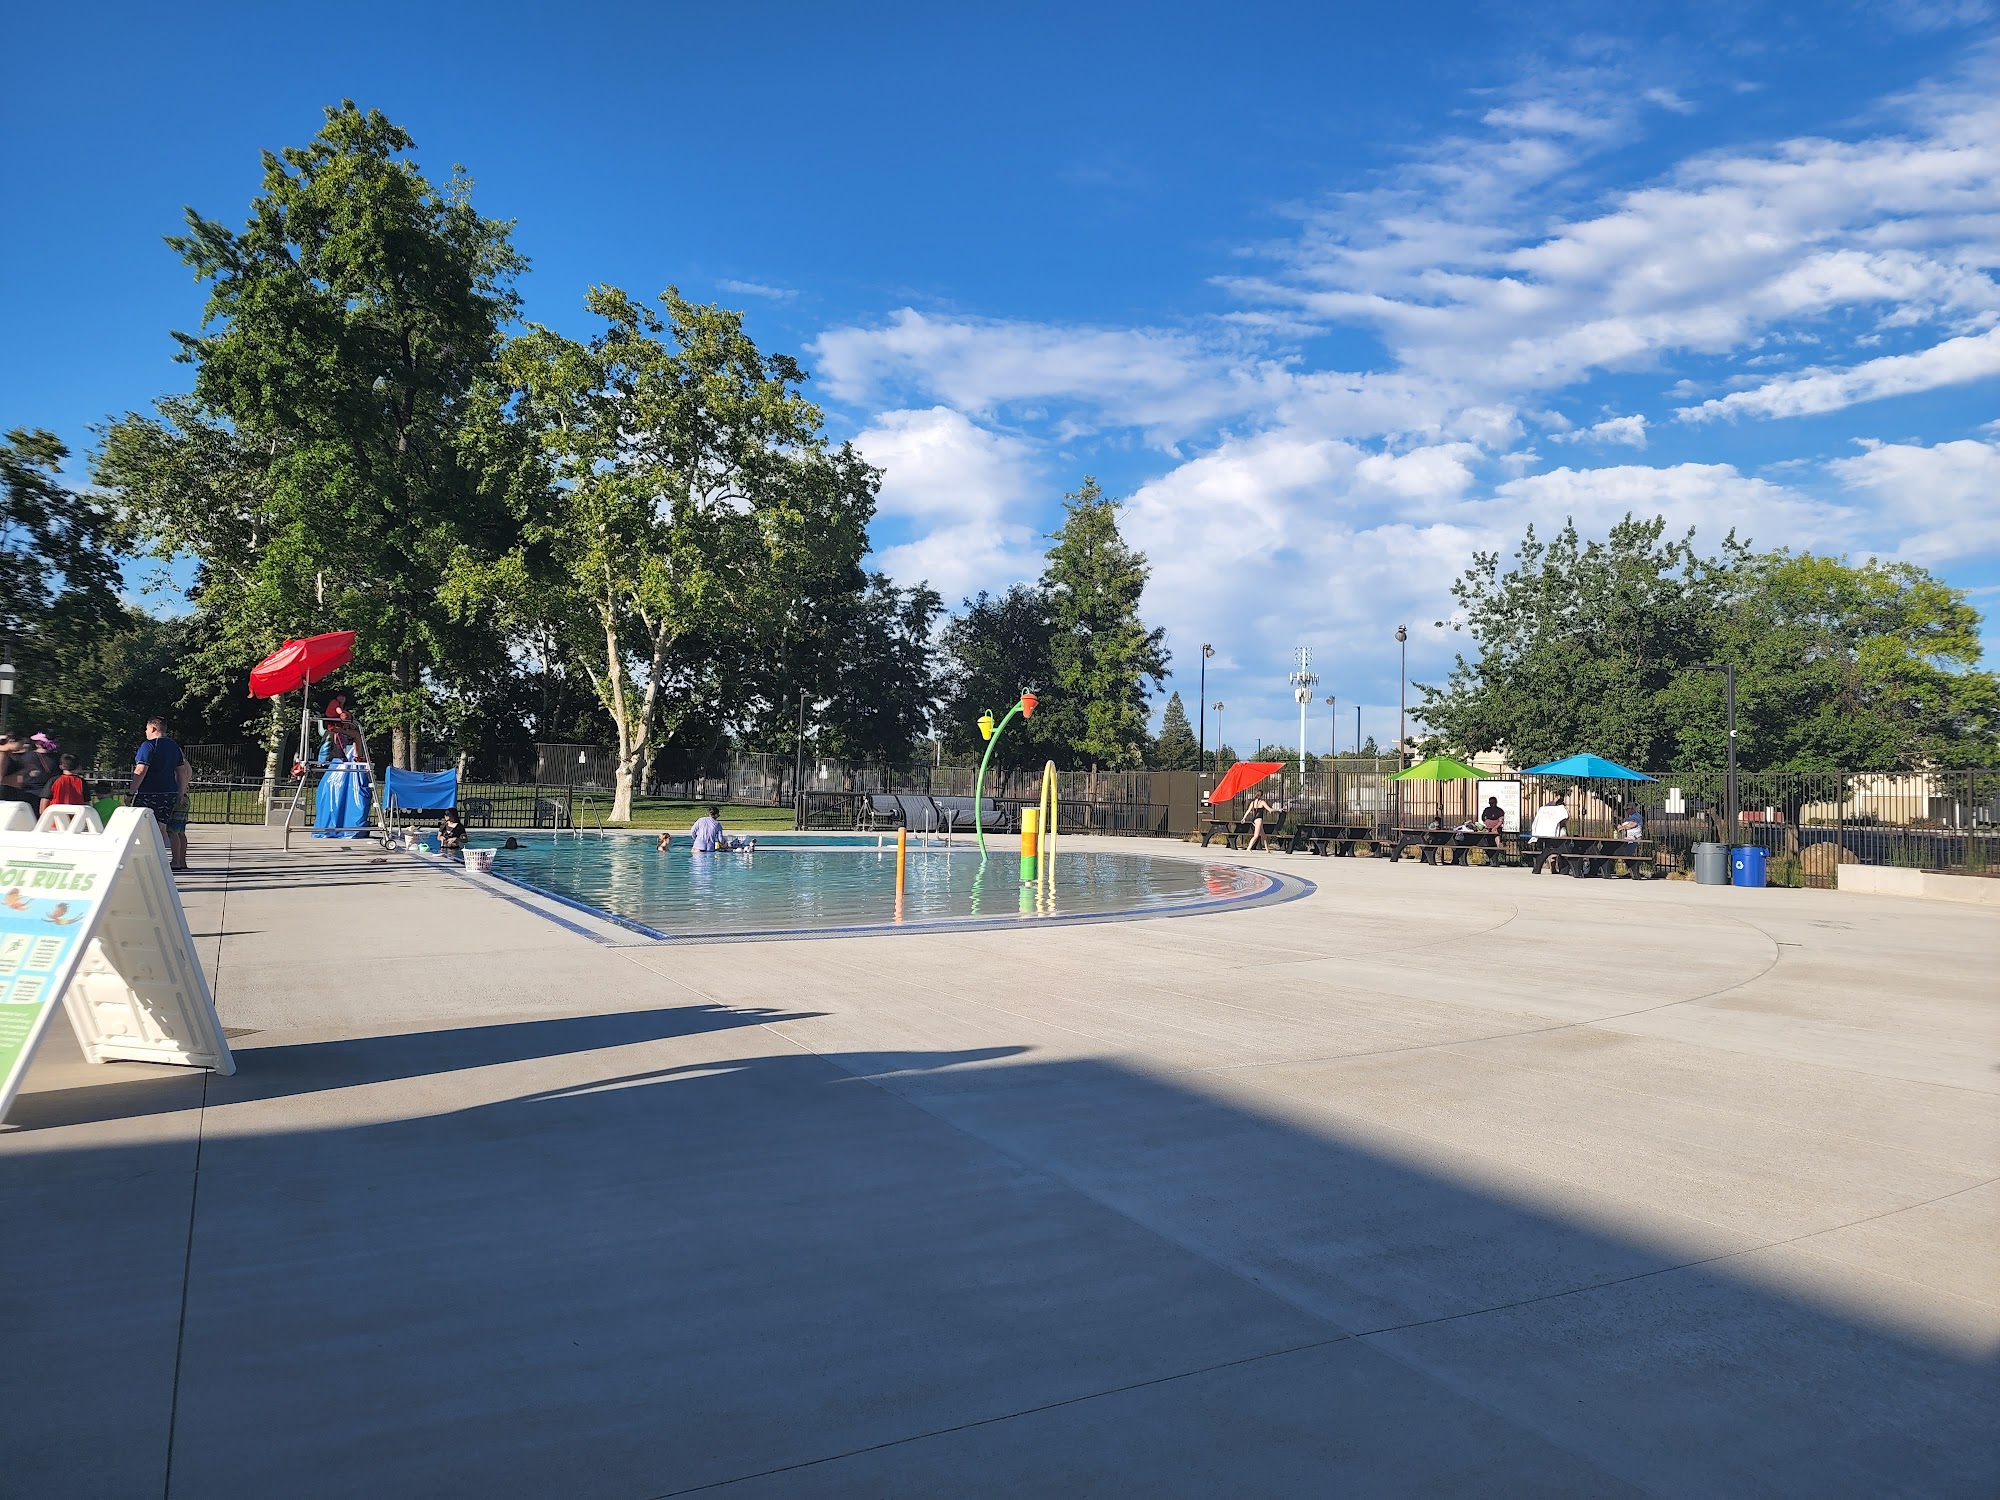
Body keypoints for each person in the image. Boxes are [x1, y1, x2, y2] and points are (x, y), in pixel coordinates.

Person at [130, 716, 192, 872]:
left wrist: (131, 792)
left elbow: (141, 770)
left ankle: (145, 858)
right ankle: (158, 857)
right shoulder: (174, 746)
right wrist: (181, 792)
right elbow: (182, 771)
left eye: (146, 728)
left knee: (142, 825)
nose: (145, 732)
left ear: (153, 728)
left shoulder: (149, 745)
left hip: (150, 792)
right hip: (169, 792)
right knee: (162, 826)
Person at [1527, 792, 1568, 875]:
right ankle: (1560, 868)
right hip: (1557, 832)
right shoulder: (1558, 808)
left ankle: (1554, 867)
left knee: (1550, 849)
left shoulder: (1547, 807)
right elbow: (1565, 818)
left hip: (1548, 832)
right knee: (1559, 849)